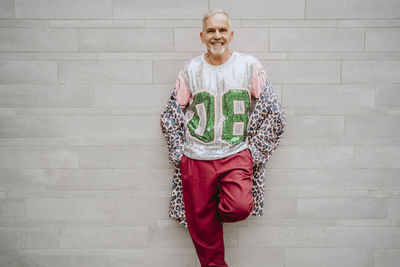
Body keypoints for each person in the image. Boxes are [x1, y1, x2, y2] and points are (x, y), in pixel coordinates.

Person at [160, 8, 286, 267]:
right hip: (195, 157)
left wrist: (253, 153)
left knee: (238, 206)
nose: (217, 35)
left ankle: (204, 213)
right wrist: (178, 154)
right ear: (202, 36)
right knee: (204, 236)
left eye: (222, 30)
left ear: (231, 34)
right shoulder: (190, 69)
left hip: (235, 153)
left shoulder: (249, 65)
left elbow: (275, 113)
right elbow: (170, 115)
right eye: (211, 31)